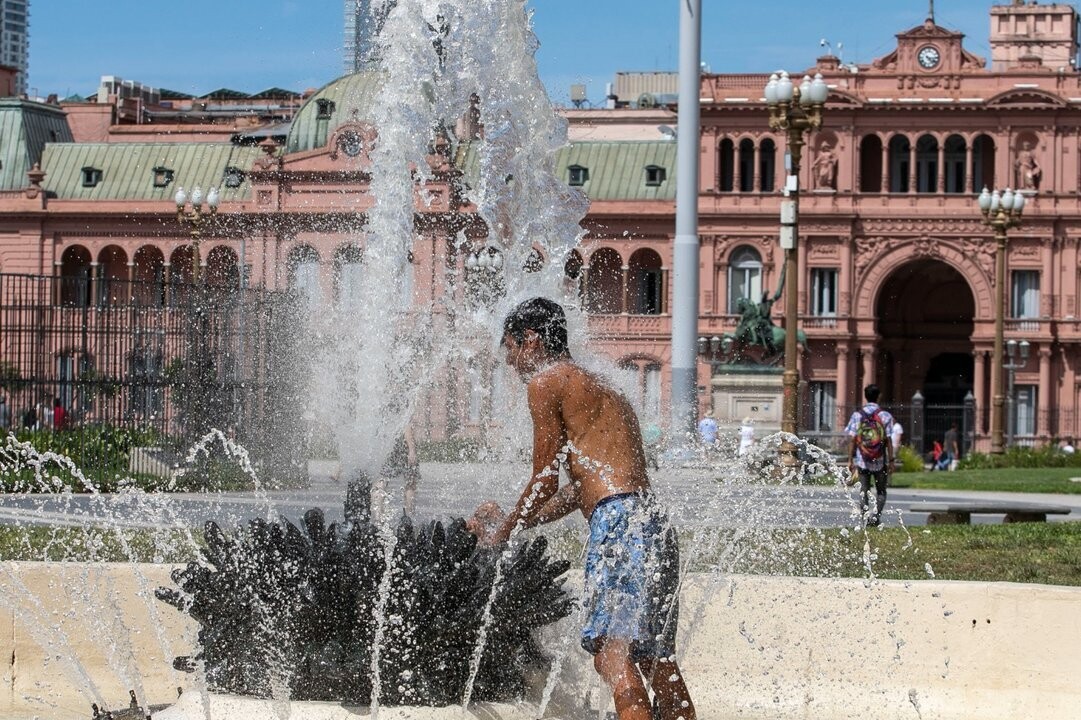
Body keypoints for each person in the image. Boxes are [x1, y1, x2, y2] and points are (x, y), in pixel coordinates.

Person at [472, 297, 695, 720]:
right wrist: (521, 520)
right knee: (653, 655)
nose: (513, 365)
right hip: (652, 522)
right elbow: (578, 491)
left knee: (611, 654)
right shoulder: (605, 389)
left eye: (512, 350)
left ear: (531, 341)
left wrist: (501, 533)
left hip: (620, 523)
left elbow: (544, 478)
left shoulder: (548, 381)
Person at [845, 384, 894, 527]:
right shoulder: (885, 416)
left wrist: (850, 459)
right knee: (881, 491)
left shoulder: (857, 415)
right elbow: (888, 440)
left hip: (862, 460)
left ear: (865, 396)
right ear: (878, 396)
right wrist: (891, 460)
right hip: (880, 459)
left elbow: (852, 439)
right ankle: (876, 517)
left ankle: (865, 519)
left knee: (863, 491)